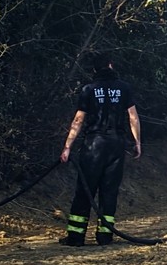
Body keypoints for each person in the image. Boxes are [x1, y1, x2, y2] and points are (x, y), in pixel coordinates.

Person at [59, 54, 141, 246]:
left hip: (93, 145)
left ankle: (76, 237)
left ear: (94, 70)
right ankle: (105, 236)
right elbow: (133, 117)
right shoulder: (124, 88)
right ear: (111, 65)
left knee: (85, 190)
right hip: (116, 145)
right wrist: (138, 142)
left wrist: (67, 146)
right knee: (109, 190)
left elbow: (78, 120)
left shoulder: (88, 90)